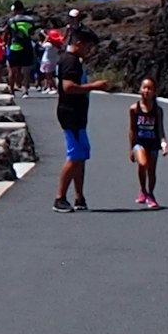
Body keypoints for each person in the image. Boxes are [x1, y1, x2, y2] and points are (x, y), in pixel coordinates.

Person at [52, 40, 96, 210]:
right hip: (71, 114)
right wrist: (94, 86)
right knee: (75, 155)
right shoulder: (70, 61)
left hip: (77, 114)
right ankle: (60, 198)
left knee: (81, 154)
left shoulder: (71, 60)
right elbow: (68, 87)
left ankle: (79, 196)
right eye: (87, 46)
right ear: (78, 43)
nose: (89, 50)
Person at [128, 73, 167, 208]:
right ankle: (143, 190)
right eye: (144, 88)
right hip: (139, 142)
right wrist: (131, 149)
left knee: (151, 170)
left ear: (154, 92)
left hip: (153, 142)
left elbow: (161, 129)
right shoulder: (134, 109)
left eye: (150, 88)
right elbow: (132, 129)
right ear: (140, 89)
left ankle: (149, 194)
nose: (146, 91)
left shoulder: (158, 110)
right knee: (143, 163)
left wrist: (164, 143)